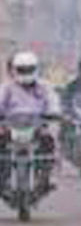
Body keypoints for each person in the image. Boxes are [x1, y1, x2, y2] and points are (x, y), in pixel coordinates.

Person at [0, 51, 61, 193]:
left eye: (29, 69)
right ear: (14, 70)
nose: (25, 73)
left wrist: (54, 113)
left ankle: (48, 175)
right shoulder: (7, 87)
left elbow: (53, 101)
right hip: (11, 126)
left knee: (49, 142)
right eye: (22, 69)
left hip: (37, 125)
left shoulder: (45, 87)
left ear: (36, 69)